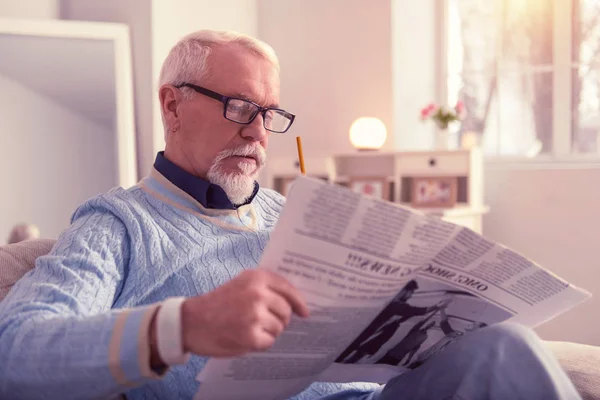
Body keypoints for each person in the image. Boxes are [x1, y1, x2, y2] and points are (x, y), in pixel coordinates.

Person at [0, 29, 582, 400]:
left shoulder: (299, 214)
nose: (256, 131)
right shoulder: (118, 224)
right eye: (238, 107)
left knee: (501, 345)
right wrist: (186, 326)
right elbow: (15, 351)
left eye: (269, 113)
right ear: (171, 104)